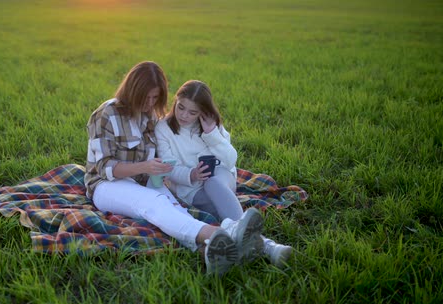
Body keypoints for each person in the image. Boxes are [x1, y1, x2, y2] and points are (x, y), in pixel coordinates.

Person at [84, 62, 263, 276]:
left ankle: (209, 250)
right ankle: (220, 234)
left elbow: (164, 155)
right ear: (132, 90)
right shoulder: (106, 114)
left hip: (145, 178)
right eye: (145, 97)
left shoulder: (149, 115)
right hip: (106, 184)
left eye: (155, 98)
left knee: (175, 208)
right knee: (153, 203)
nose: (150, 104)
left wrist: (161, 168)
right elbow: (104, 167)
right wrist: (145, 166)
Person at [155, 80, 293, 268]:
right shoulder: (163, 128)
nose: (184, 115)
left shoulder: (211, 124)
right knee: (225, 217)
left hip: (222, 178)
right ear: (176, 101)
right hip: (191, 189)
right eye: (181, 107)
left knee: (212, 182)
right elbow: (168, 167)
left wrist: (211, 133)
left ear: (202, 111)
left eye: (192, 112)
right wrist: (192, 175)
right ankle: (269, 247)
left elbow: (230, 160)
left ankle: (256, 243)